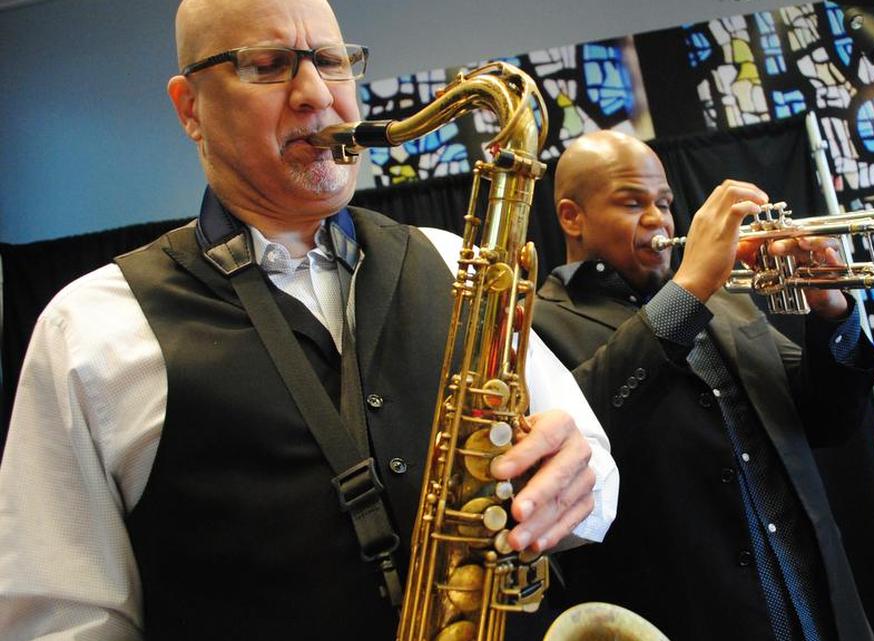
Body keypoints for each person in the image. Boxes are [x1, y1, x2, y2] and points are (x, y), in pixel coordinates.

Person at [0, 1, 617, 639]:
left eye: (330, 60)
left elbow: (594, 471)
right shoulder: (91, 328)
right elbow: (61, 621)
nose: (317, 94)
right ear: (191, 108)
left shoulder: (451, 257)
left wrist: (571, 485)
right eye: (268, 66)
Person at [532, 130, 874, 641]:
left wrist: (830, 308)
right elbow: (585, 430)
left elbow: (826, 420)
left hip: (817, 612)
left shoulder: (727, 303)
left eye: (665, 202)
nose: (658, 219)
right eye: (633, 203)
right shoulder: (538, 326)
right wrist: (688, 289)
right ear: (572, 217)